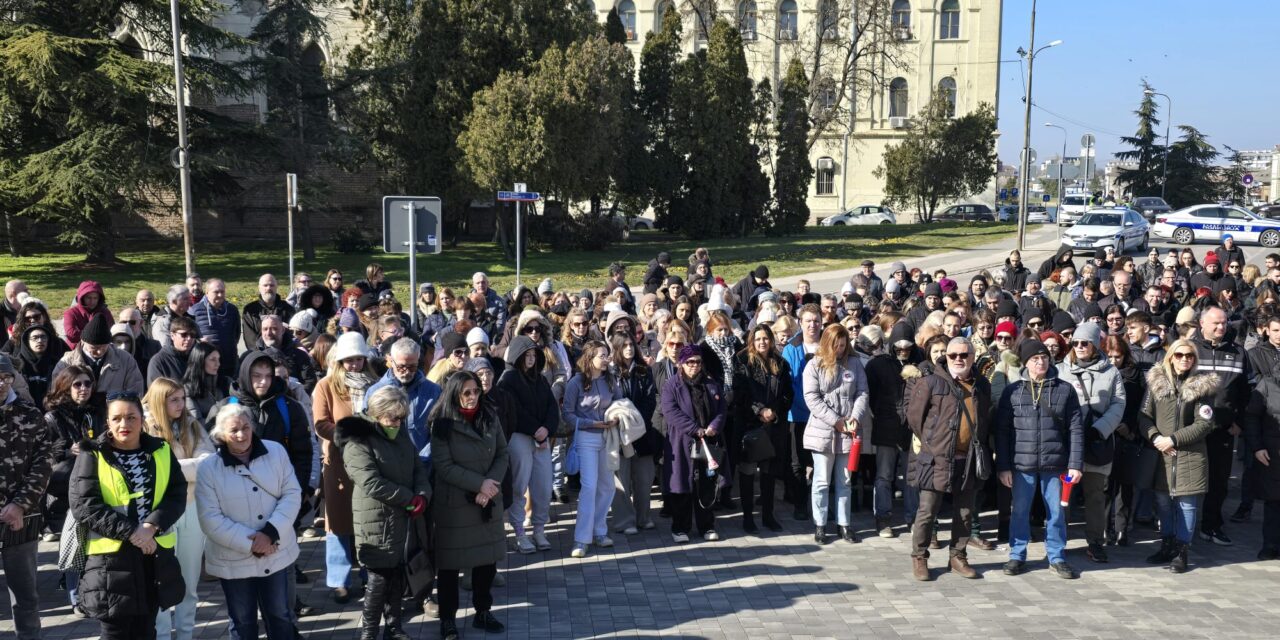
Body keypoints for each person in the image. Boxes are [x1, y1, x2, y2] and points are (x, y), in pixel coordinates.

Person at [69, 392, 188, 639]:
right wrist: (134, 532)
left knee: (147, 630)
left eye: (131, 417)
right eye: (117, 418)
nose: (125, 425)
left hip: (153, 556)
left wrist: (151, 525)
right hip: (110, 562)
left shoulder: (161, 449)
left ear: (142, 419)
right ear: (108, 422)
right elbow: (85, 506)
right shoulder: (92, 454)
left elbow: (177, 494)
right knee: (116, 632)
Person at [195, 403, 301, 639]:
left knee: (280, 615)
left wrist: (271, 533)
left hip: (276, 550)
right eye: (234, 430)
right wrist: (253, 543)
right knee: (242, 622)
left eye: (246, 427)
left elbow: (292, 494)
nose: (241, 435)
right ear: (221, 434)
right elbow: (210, 519)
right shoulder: (208, 468)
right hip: (233, 559)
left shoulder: (276, 452)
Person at [337, 387, 429, 640]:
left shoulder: (400, 435)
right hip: (376, 519)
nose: (397, 423)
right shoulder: (358, 440)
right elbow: (370, 482)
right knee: (378, 581)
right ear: (377, 414)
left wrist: (422, 494)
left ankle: (394, 627)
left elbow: (417, 467)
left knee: (397, 575)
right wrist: (408, 497)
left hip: (402, 517)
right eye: (392, 418)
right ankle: (368, 633)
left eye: (401, 418)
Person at [995, 339, 1084, 580]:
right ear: (1025, 363)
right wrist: (1003, 466)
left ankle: (1056, 556)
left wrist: (1075, 464)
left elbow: (1076, 428)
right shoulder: (1012, 391)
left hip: (1055, 465)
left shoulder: (1064, 389)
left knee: (1056, 512)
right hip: (1021, 465)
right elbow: (1002, 431)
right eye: (1035, 358)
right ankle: (1017, 554)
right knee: (1020, 511)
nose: (1041, 361)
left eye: (1044, 357)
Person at [905, 336, 991, 580]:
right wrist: (933, 442)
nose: (958, 359)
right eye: (953, 355)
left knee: (964, 511)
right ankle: (919, 557)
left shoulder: (981, 384)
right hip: (937, 458)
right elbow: (915, 418)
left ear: (973, 357)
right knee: (927, 510)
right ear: (946, 357)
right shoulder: (931, 382)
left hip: (969, 458)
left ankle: (958, 556)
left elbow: (985, 418)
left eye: (964, 355)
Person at [430, 371, 508, 638]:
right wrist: (479, 484)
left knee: (486, 562)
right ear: (455, 394)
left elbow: (502, 453)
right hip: (456, 505)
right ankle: (448, 619)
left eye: (476, 391)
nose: (473, 397)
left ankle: (483, 612)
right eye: (466, 392)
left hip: (486, 501)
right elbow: (444, 466)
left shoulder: (489, 416)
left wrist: (490, 485)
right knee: (450, 566)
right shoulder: (441, 424)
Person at [143, 378, 213, 640]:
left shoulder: (191, 424)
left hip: (191, 509)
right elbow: (150, 471)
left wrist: (172, 469)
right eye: (174, 399)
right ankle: (161, 637)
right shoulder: (145, 428)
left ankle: (185, 635)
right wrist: (186, 467)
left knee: (189, 583)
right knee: (160, 582)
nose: (181, 404)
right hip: (159, 514)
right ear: (160, 400)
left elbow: (208, 463)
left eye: (182, 398)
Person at [312, 332, 377, 604]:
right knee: (338, 521)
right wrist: (347, 434)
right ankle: (339, 579)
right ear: (339, 361)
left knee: (368, 520)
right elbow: (320, 422)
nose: (354, 365)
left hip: (370, 461)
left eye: (358, 359)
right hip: (338, 462)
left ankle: (368, 574)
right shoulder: (326, 385)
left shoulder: (375, 383)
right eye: (348, 360)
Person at [1141, 340, 1217, 573]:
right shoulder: (1156, 383)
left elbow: (1205, 423)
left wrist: (1173, 439)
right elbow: (1143, 416)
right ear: (1171, 357)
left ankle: (1182, 550)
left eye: (1190, 356)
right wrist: (1155, 437)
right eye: (1180, 355)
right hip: (1161, 455)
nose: (1185, 359)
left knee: (1186, 504)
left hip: (1189, 456)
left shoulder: (1202, 386)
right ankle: (1167, 544)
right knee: (1163, 502)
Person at [1057, 322, 1126, 564]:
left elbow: (1118, 404)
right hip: (1069, 445)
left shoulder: (1111, 372)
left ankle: (1095, 541)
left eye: (1085, 343)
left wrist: (1101, 429)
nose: (1079, 347)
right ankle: (1057, 540)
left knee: (1096, 495)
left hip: (1097, 442)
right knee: (1063, 495)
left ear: (1096, 344)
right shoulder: (1060, 370)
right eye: (1075, 343)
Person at [0, 353, 54, 639]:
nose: (0, 383)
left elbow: (44, 464)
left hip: (23, 519)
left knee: (25, 598)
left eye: (5, 377)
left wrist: (19, 505)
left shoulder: (30, 415)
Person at [803, 323, 869, 545]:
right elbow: (812, 398)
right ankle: (820, 524)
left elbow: (862, 392)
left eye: (843, 345)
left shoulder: (855, 363)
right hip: (823, 431)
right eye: (836, 345)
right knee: (821, 481)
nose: (840, 350)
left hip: (848, 431)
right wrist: (836, 421)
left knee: (845, 480)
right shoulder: (814, 365)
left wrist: (855, 417)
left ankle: (844, 523)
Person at [495, 334, 558, 552]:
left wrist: (547, 429)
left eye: (533, 355)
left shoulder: (540, 379)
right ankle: (519, 532)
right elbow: (513, 411)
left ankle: (539, 529)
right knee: (519, 487)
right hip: (520, 437)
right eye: (526, 355)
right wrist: (535, 431)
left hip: (541, 438)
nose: (530, 359)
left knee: (542, 486)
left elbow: (552, 407)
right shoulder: (507, 379)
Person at [1194, 306, 1251, 546]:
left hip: (1223, 429)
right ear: (1202, 324)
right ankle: (1180, 528)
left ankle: (1211, 525)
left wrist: (1239, 422)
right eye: (1216, 323)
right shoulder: (1189, 350)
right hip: (1192, 429)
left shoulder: (1237, 353)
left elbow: (1248, 391)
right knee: (1189, 479)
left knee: (1218, 481)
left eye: (1224, 323)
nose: (1221, 327)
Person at [562, 340, 625, 557]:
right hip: (586, 438)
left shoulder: (610, 380)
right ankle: (581, 539)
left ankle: (599, 530)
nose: (607, 359)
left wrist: (615, 417)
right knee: (589, 487)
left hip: (607, 437)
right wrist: (592, 423)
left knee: (607, 486)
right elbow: (568, 414)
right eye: (602, 355)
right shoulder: (576, 382)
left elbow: (620, 403)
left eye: (607, 354)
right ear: (590, 358)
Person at [661, 344, 727, 543]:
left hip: (708, 442)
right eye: (690, 362)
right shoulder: (672, 385)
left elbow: (721, 408)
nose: (694, 366)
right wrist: (694, 429)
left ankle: (707, 525)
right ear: (682, 363)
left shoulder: (710, 383)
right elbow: (670, 412)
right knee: (682, 484)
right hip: (682, 442)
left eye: (698, 362)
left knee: (707, 484)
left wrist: (714, 426)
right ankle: (680, 527)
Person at [732, 325, 793, 534]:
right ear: (752, 340)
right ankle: (748, 517)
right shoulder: (741, 361)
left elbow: (787, 395)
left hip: (773, 426)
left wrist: (774, 412)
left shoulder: (781, 363)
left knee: (769, 473)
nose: (762, 342)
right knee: (748, 472)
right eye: (758, 339)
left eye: (765, 338)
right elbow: (740, 393)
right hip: (750, 425)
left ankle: (768, 515)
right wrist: (760, 411)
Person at [609, 334, 661, 535]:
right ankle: (624, 521)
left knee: (644, 478)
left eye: (632, 344)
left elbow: (650, 398)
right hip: (619, 431)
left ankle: (643, 517)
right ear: (617, 348)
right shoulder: (610, 372)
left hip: (642, 430)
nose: (629, 348)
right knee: (621, 478)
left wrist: (637, 421)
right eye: (625, 345)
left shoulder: (643, 370)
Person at [782, 304, 824, 521]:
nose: (812, 325)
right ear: (800, 322)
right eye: (808, 320)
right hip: (798, 415)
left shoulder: (828, 344)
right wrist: (810, 407)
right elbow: (791, 383)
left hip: (825, 416)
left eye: (816, 320)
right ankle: (800, 503)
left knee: (821, 462)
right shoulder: (791, 348)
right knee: (797, 462)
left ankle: (821, 504)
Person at [54, 314, 145, 399]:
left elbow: (135, 392)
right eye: (94, 347)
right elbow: (57, 394)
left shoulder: (126, 360)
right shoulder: (66, 363)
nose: (99, 351)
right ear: (83, 342)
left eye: (104, 346)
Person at [191, 278, 241, 379]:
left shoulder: (232, 310)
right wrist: (198, 341)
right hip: (206, 365)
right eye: (216, 292)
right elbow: (190, 336)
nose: (220, 295)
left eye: (222, 292)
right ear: (207, 292)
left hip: (229, 363)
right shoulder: (194, 310)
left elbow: (237, 333)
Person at [182, 342, 227, 426]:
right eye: (213, 359)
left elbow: (236, 401)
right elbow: (196, 423)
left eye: (218, 359)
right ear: (200, 361)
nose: (218, 364)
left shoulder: (225, 382)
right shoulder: (187, 389)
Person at [13, 324, 59, 407]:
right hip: (24, 410)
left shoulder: (56, 363)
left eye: (43, 337)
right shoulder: (17, 364)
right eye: (35, 338)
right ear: (27, 341)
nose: (40, 340)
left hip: (52, 409)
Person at [149, 315, 198, 387]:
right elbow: (157, 393)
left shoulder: (199, 356)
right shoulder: (159, 361)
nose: (189, 338)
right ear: (172, 335)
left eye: (192, 335)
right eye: (184, 335)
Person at [63, 280, 114, 349]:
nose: (92, 301)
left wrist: (82, 334)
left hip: (101, 351)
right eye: (89, 298)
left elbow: (112, 331)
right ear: (82, 297)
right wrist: (99, 336)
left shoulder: (105, 312)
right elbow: (71, 335)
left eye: (95, 298)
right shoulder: (71, 313)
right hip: (76, 351)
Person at [152, 285, 196, 350]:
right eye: (185, 299)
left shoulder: (189, 317)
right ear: (173, 301)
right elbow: (166, 347)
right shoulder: (163, 322)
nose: (190, 302)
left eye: (189, 298)